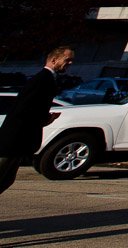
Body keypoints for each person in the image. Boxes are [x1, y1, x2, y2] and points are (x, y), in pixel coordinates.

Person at [0, 46, 74, 195]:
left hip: (18, 142)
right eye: (67, 59)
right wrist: (44, 119)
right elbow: (23, 109)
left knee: (6, 179)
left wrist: (46, 119)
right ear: (54, 60)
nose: (70, 63)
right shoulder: (42, 79)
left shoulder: (47, 79)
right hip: (13, 140)